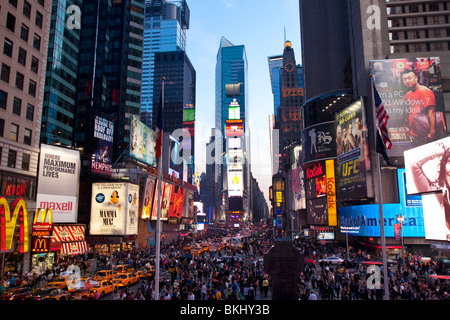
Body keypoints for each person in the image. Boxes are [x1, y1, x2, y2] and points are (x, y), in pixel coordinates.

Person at [400, 68, 446, 145]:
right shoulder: (409, 93)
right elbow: (399, 104)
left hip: (425, 135)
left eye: (409, 78)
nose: (407, 81)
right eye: (404, 79)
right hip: (415, 133)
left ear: (416, 78)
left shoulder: (424, 91)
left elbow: (432, 112)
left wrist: (432, 133)